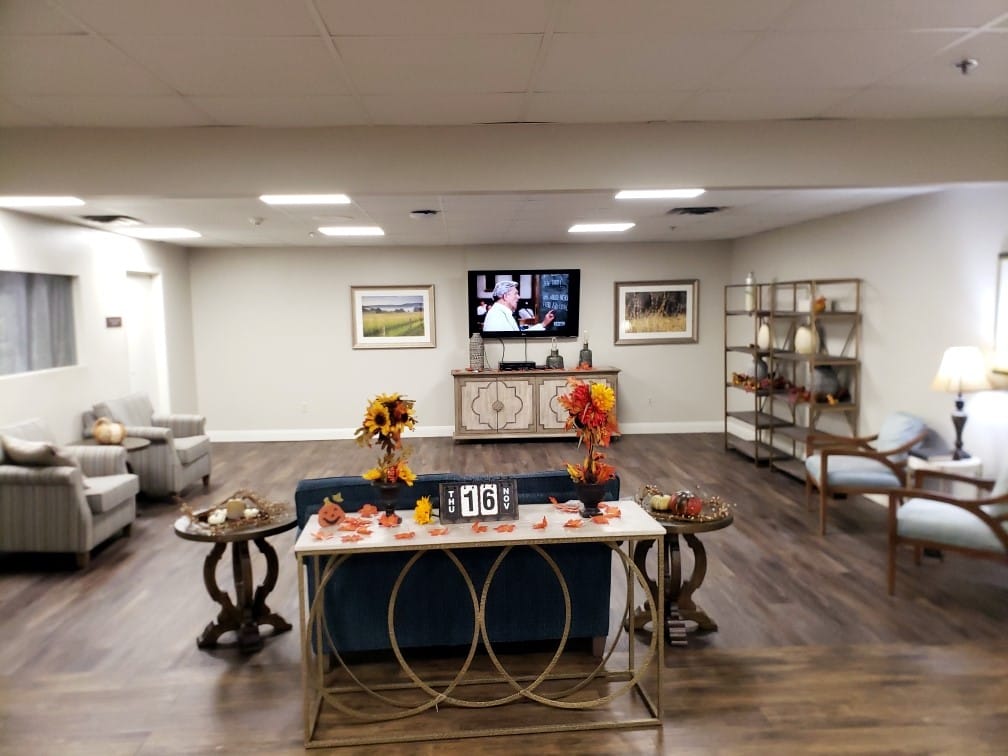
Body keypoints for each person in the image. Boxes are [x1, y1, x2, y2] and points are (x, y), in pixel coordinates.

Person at [483, 280, 555, 332]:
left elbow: (517, 335)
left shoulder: (501, 312)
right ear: (505, 296)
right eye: (516, 294)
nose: (519, 297)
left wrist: (543, 324)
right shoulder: (496, 316)